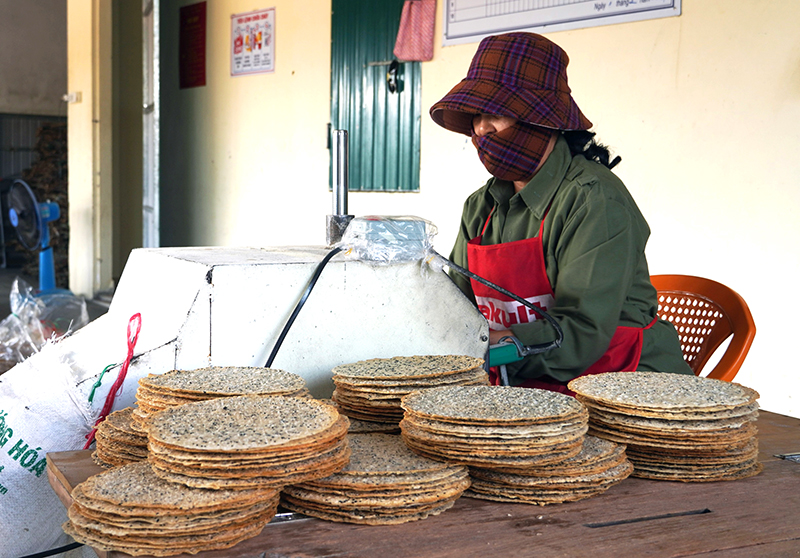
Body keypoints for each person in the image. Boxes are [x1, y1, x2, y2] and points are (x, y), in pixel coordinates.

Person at [430, 32, 693, 393]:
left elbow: (580, 335)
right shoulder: (482, 207)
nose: (480, 128)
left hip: (628, 390)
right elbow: (455, 308)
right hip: (529, 384)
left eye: (495, 113)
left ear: (541, 121)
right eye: (476, 115)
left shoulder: (593, 200)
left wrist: (489, 349)